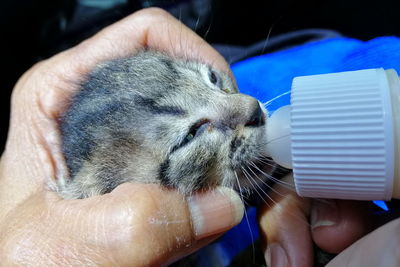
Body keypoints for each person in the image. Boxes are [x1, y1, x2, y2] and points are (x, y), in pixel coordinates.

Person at [0, 7, 398, 266]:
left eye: (209, 78)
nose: (246, 105)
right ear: (111, 203)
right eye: (190, 135)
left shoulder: (263, 84)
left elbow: (358, 73)